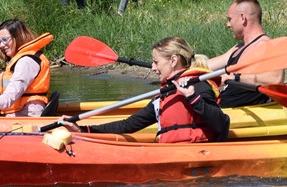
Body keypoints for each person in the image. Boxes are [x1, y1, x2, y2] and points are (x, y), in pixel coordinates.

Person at [62, 37, 229, 143]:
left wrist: (193, 98)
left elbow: (221, 124)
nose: (153, 67)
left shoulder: (197, 85)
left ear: (173, 60)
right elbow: (128, 125)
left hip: (195, 156)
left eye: (156, 62)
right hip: (171, 153)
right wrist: (84, 130)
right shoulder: (165, 93)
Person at [204, 0, 285, 108]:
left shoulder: (268, 46)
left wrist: (236, 77)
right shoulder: (238, 48)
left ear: (242, 18)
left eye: (230, 19)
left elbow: (275, 80)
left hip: (238, 117)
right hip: (221, 108)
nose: (228, 25)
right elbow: (205, 66)